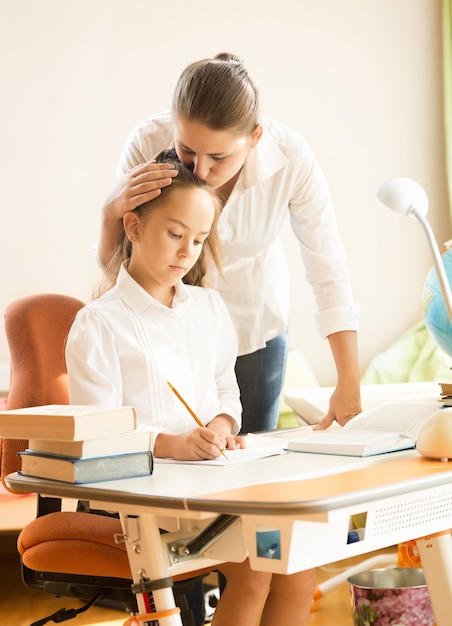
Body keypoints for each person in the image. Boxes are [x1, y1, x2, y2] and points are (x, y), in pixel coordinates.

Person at [66, 155, 317, 626]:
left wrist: (221, 428)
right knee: (257, 569)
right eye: (176, 234)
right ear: (134, 228)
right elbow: (99, 435)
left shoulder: (209, 309)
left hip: (213, 484)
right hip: (142, 495)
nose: (187, 252)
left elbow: (227, 394)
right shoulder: (98, 323)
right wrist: (173, 444)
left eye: (199, 240)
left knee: (298, 565)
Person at [97, 52, 362, 435]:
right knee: (167, 458)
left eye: (218, 156)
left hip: (252, 329)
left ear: (255, 137)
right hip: (164, 328)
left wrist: (348, 381)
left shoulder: (291, 158)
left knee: (249, 464)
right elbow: (119, 264)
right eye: (186, 150)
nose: (199, 170)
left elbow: (328, 269)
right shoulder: (147, 142)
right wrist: (109, 211)